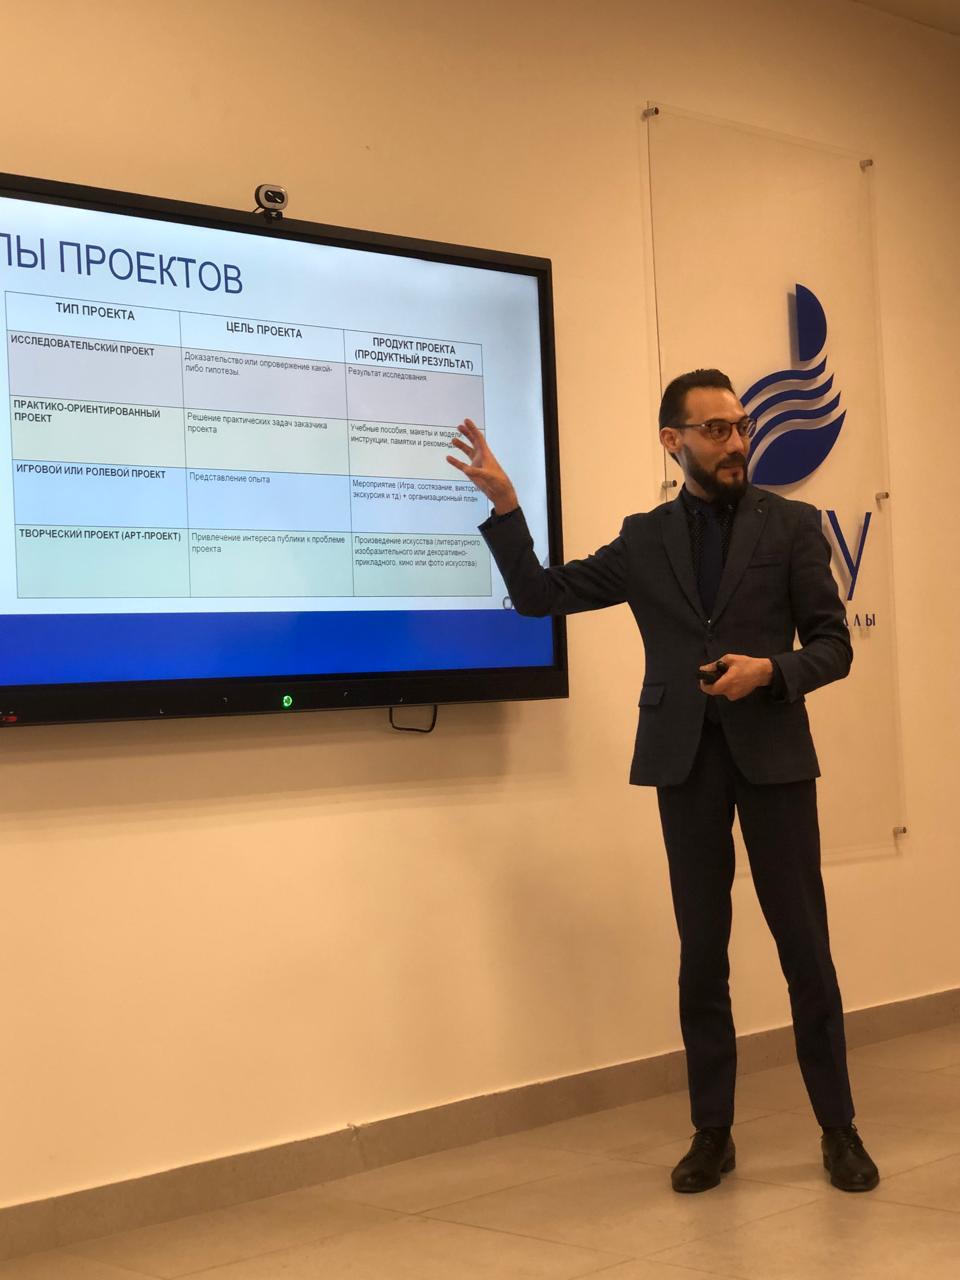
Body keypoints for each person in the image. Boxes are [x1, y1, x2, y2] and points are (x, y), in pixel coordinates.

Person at [447, 368, 879, 1194]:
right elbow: (540, 596)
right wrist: (506, 508)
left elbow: (833, 646)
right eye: (716, 430)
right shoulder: (644, 540)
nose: (736, 442)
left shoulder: (791, 525)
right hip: (684, 761)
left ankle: (840, 1129)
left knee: (805, 948)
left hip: (775, 758)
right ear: (672, 441)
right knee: (701, 953)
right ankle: (712, 1132)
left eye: (741, 427)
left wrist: (770, 671)